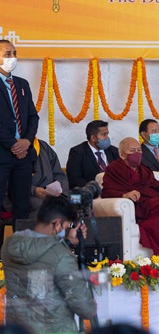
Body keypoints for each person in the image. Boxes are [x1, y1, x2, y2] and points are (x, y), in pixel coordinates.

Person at [1, 196, 97, 333]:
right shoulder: (61, 255)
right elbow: (85, 308)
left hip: (19, 328)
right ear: (56, 224)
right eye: (65, 226)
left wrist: (67, 241)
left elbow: (41, 259)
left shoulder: (9, 245)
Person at [0, 40, 39, 225]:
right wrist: (12, 144)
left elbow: (33, 117)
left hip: (23, 156)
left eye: (14, 53)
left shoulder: (22, 84)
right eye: (8, 54)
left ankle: (21, 251)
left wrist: (26, 141)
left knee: (22, 206)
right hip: (2, 153)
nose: (13, 58)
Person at [67, 120, 118, 189]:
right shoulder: (77, 152)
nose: (107, 137)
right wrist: (97, 188)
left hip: (113, 191)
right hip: (90, 193)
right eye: (104, 134)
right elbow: (74, 179)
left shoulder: (113, 151)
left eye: (107, 134)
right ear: (93, 138)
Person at [25, 138, 68, 219]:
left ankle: (64, 231)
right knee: (42, 205)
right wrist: (33, 190)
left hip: (50, 193)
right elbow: (8, 181)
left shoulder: (43, 146)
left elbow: (59, 173)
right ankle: (40, 231)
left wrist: (58, 189)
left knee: (75, 200)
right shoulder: (13, 147)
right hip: (26, 194)